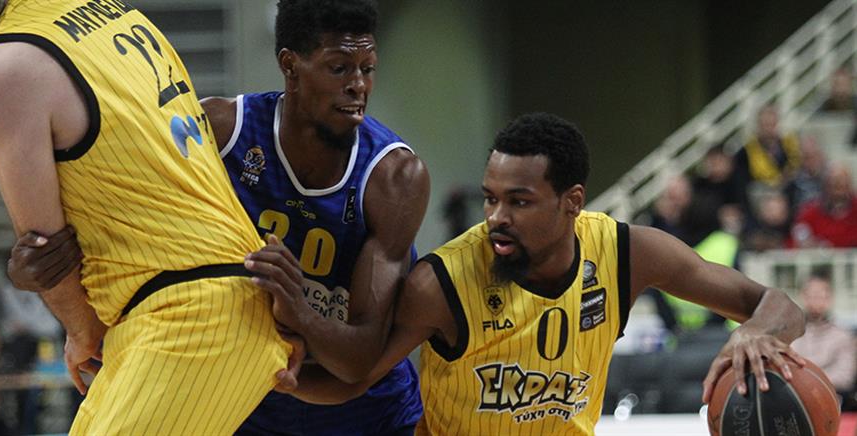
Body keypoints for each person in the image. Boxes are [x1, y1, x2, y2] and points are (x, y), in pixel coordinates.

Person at [9, 1, 429, 433]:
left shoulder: (393, 177)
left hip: (364, 414)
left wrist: (300, 310)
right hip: (242, 396)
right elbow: (127, 229)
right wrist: (47, 267)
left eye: (368, 69)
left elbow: (359, 359)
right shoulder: (219, 130)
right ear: (290, 65)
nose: (358, 85)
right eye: (339, 69)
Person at [247, 113, 806, 434]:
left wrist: (757, 330)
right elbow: (354, 378)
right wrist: (275, 378)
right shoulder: (441, 283)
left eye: (518, 201)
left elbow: (782, 307)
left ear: (572, 201)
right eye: (490, 199)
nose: (496, 217)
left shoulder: (627, 253)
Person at [0, 0, 294, 434]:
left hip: (195, 313)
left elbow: (43, 248)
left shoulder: (2, 66)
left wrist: (81, 329)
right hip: (190, 304)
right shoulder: (114, 12)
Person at [791, 274, 856, 394]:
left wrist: (809, 380)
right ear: (803, 297)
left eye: (820, 296)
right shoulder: (790, 334)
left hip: (830, 397)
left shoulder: (842, 337)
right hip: (794, 395)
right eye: (811, 296)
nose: (816, 301)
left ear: (829, 299)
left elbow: (845, 377)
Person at [789, 164, 857, 248]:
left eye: (842, 185)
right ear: (826, 185)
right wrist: (809, 243)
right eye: (835, 185)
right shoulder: (811, 212)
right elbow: (798, 234)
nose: (838, 189)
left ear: (849, 185)